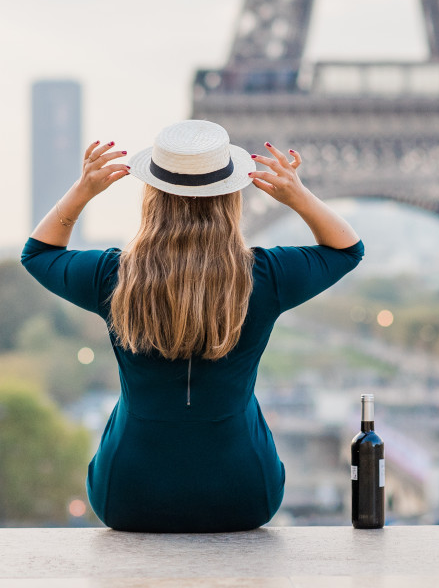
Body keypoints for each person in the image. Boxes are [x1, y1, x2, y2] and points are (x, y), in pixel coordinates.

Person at [20, 119, 364, 532]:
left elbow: (37, 254)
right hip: (243, 495)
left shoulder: (113, 276)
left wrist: (84, 190)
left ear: (152, 196)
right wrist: (299, 196)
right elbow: (347, 249)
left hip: (128, 496)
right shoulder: (267, 276)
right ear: (231, 196)